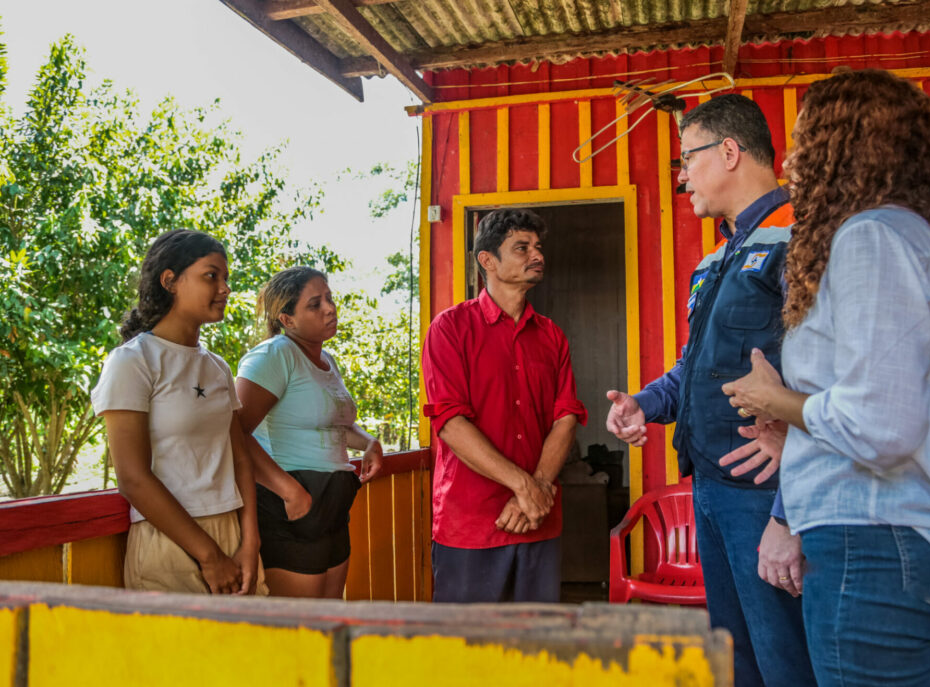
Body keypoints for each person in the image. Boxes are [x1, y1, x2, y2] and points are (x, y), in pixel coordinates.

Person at [723, 69, 930, 685]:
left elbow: (879, 425)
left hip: (875, 544)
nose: (791, 161)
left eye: (804, 141)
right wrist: (798, 432)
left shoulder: (869, 238)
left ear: (844, 147)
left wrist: (778, 399)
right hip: (895, 543)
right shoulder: (901, 234)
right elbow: (882, 407)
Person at [604, 94, 816, 687]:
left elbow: (827, 380)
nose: (681, 176)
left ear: (729, 152)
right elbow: (694, 370)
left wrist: (789, 509)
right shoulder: (714, 260)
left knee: (786, 663)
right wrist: (643, 404)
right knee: (737, 660)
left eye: (686, 158)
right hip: (712, 490)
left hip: (767, 496)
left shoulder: (799, 238)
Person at [422, 208, 587, 603]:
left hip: (538, 520)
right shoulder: (449, 328)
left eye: (538, 247)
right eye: (522, 247)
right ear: (488, 260)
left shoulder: (552, 336)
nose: (537, 255)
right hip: (471, 523)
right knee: (468, 639)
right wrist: (526, 487)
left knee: (536, 636)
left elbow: (566, 418)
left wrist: (537, 489)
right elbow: (450, 422)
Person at [92, 229, 266, 595]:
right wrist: (210, 557)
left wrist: (250, 543)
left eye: (226, 278)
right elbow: (133, 478)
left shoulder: (217, 367)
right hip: (168, 540)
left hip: (232, 534)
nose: (225, 288)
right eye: (211, 276)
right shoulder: (133, 361)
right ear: (170, 280)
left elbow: (240, 459)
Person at [235, 266, 383, 599]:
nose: (329, 308)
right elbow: (235, 433)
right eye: (315, 304)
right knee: (299, 623)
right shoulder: (274, 356)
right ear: (287, 319)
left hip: (330, 505)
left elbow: (334, 424)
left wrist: (369, 443)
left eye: (329, 298)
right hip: (291, 504)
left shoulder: (326, 359)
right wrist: (289, 491)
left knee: (328, 615)